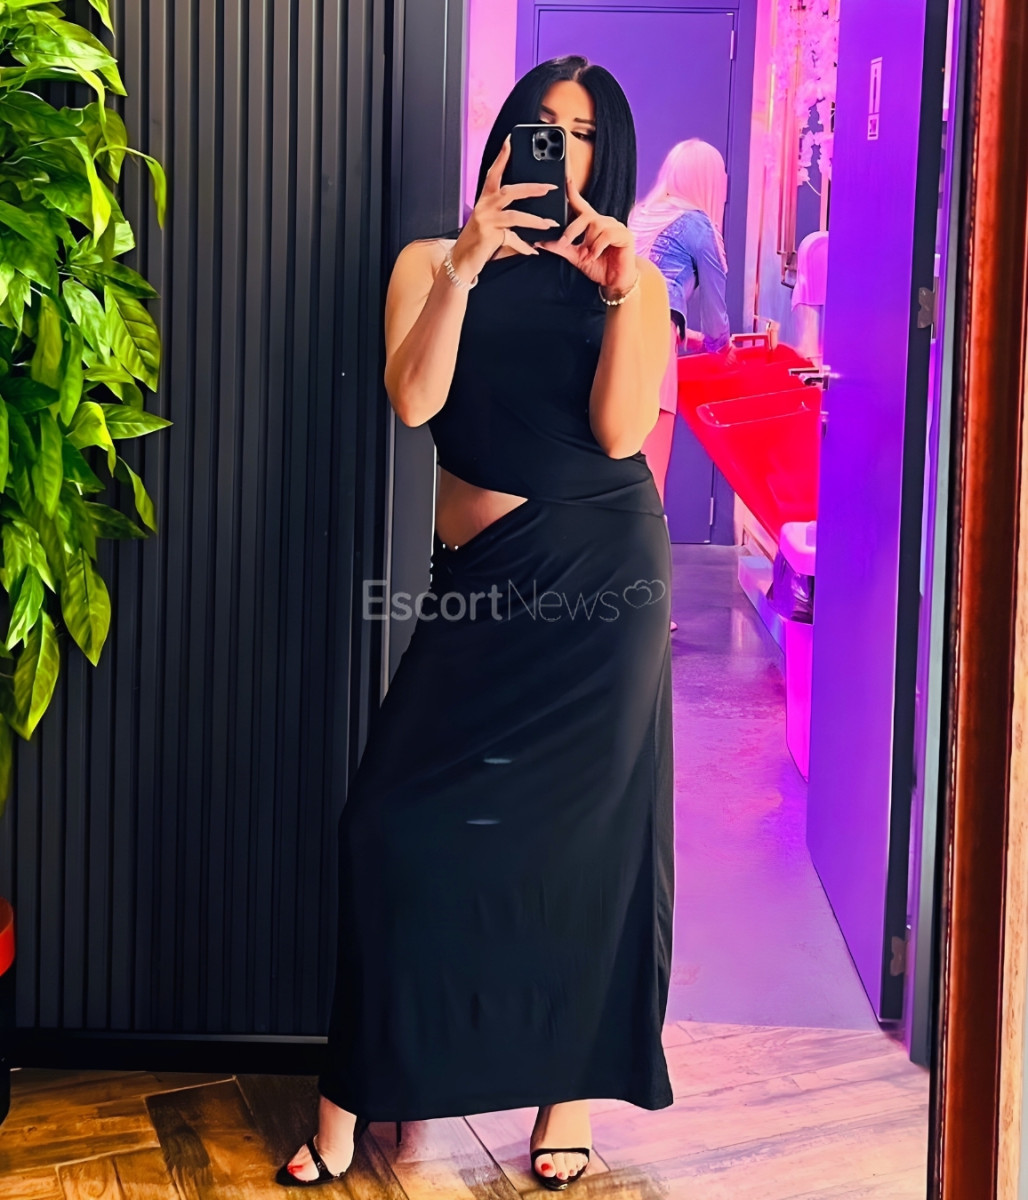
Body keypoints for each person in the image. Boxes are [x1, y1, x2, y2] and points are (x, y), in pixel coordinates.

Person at [278, 55, 675, 1194]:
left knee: (583, 848)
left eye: (584, 133)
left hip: (599, 585)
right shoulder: (428, 260)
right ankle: (351, 1097)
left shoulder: (631, 277)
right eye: (542, 126)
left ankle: (567, 1097)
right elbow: (414, 400)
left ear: (607, 156)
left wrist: (616, 291)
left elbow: (619, 435)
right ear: (505, 140)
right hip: (476, 583)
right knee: (388, 828)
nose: (561, 148)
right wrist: (464, 263)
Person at [628, 138, 733, 507]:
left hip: (609, 336)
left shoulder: (640, 214)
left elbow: (646, 290)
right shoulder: (698, 226)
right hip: (655, 344)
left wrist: (691, 336)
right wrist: (719, 345)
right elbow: (715, 313)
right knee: (650, 474)